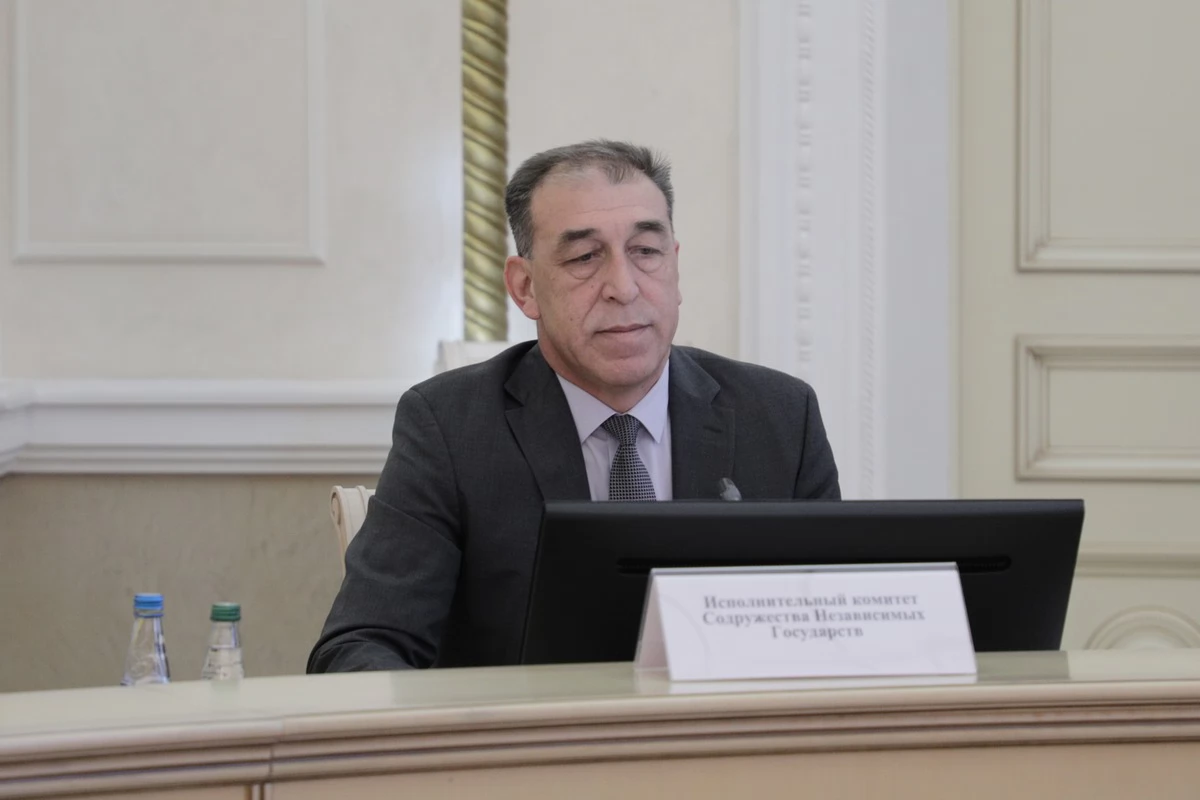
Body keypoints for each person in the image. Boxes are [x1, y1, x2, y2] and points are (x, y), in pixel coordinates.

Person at [307, 140, 840, 672]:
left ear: (675, 268)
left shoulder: (780, 417)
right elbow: (359, 646)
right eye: (585, 257)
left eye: (646, 252)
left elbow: (838, 636)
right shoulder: (450, 427)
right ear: (525, 287)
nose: (624, 288)